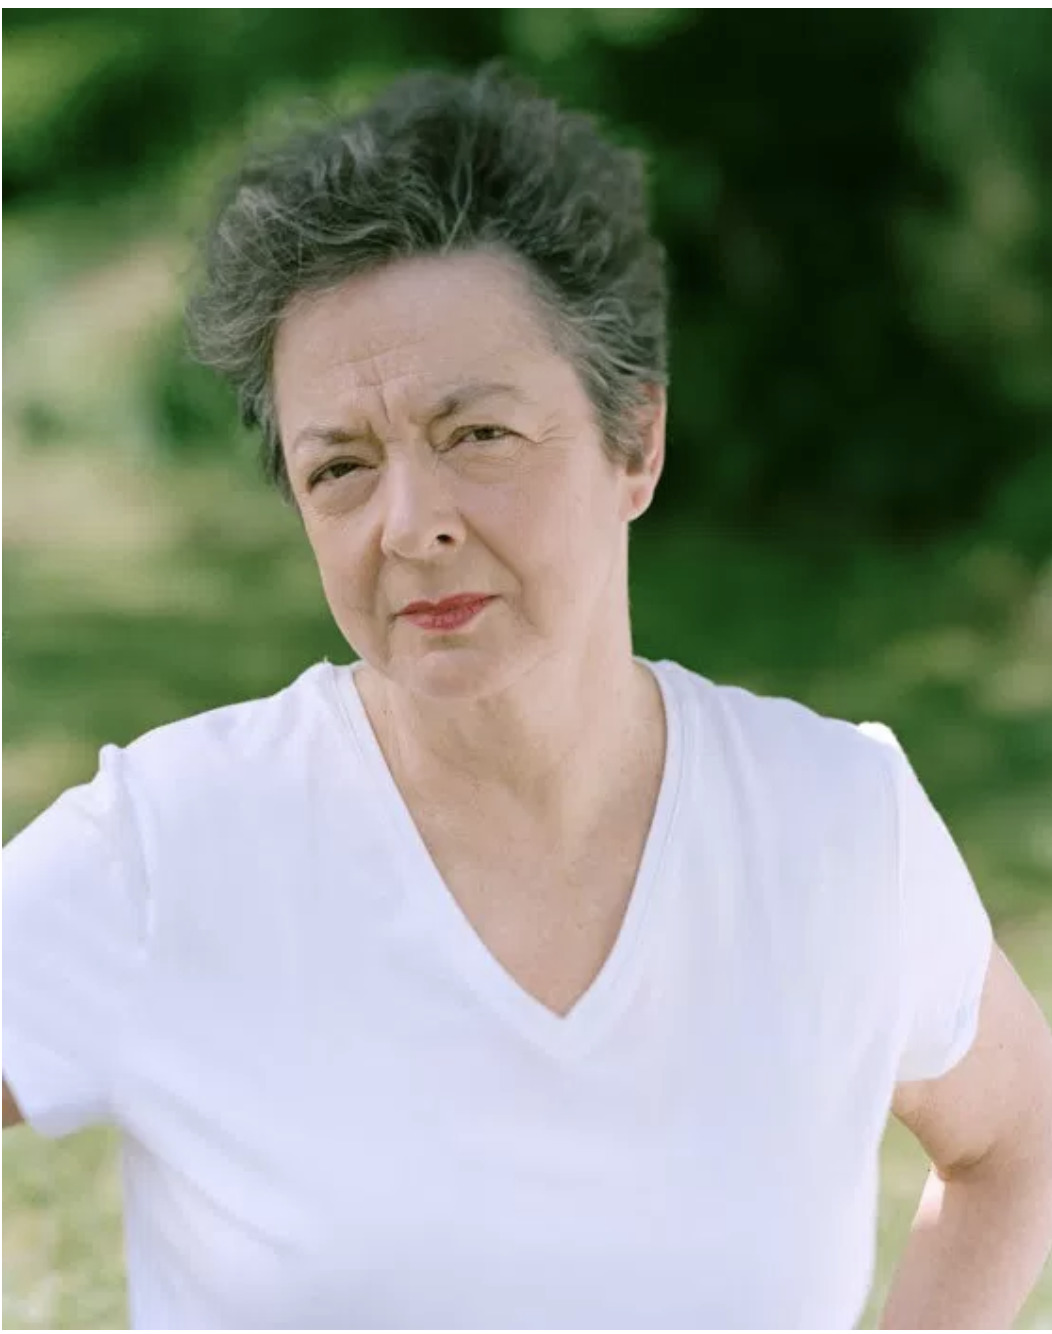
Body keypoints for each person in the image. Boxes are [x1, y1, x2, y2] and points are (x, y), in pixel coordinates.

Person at [3, 64, 1051, 1332]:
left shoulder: (835, 825)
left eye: (477, 434)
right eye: (339, 465)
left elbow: (1012, 1140)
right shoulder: (172, 845)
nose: (410, 524)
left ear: (636, 441)